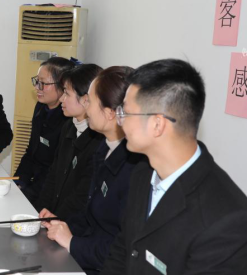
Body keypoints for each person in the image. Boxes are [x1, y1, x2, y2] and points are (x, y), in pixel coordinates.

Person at [101, 59, 247, 274]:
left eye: (125, 112)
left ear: (157, 124)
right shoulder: (143, 172)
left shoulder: (226, 219)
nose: (119, 121)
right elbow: (123, 249)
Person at [43, 66, 145, 275]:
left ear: (110, 113)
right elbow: (89, 216)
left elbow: (122, 248)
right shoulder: (104, 149)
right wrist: (61, 225)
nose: (85, 108)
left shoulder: (135, 169)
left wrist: (71, 242)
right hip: (87, 253)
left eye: (89, 101)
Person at [37, 64, 103, 221]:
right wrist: (39, 211)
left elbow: (82, 195)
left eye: (66, 93)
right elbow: (53, 175)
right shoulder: (69, 126)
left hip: (71, 223)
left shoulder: (99, 140)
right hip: (53, 217)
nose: (61, 99)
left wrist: (56, 219)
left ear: (86, 99)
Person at [14, 57, 74, 209]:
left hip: (48, 193)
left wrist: (28, 193)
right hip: (33, 183)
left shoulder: (69, 121)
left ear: (63, 86)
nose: (37, 87)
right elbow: (31, 151)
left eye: (43, 83)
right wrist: (18, 182)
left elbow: (55, 171)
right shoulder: (41, 107)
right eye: (37, 81)